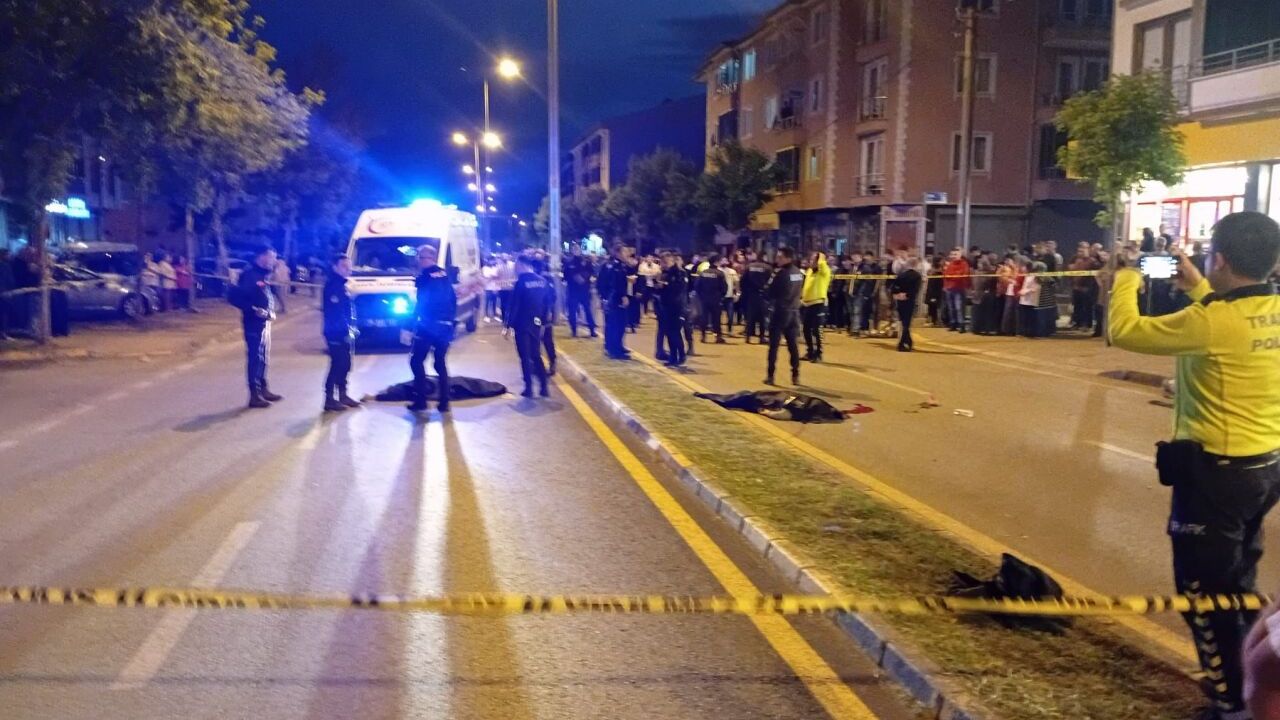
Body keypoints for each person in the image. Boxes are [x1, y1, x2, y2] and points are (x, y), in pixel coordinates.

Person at [1109, 212, 1280, 720]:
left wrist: (1124, 277)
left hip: (1216, 476)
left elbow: (1125, 330)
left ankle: (1231, 703)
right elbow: (1234, 322)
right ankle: (1252, 680)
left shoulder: (1210, 323)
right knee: (1237, 583)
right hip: (1264, 466)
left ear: (1220, 258)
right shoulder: (1268, 310)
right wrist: (1200, 288)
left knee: (1203, 595)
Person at [408, 244, 457, 414]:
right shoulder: (445, 275)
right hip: (446, 326)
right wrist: (451, 321)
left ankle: (421, 400)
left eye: (421, 258)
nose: (419, 261)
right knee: (439, 362)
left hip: (429, 325)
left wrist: (411, 323)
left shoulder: (424, 277)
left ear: (431, 258)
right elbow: (453, 299)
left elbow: (422, 302)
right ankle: (444, 402)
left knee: (416, 361)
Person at [234, 246, 281, 409]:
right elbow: (235, 297)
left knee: (263, 357)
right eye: (271, 257)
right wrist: (254, 310)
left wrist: (270, 310)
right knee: (255, 357)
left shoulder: (263, 274)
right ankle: (254, 395)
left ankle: (263, 389)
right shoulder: (249, 275)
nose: (274, 261)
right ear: (261, 257)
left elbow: (265, 295)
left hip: (264, 322)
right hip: (253, 322)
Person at [505, 255, 552, 398]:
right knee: (536, 355)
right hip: (536, 323)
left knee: (524, 356)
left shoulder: (521, 283)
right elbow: (547, 304)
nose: (515, 269)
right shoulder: (542, 281)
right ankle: (544, 387)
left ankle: (529, 388)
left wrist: (508, 326)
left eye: (516, 266)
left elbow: (515, 306)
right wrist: (544, 322)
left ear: (522, 265)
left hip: (522, 324)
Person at [322, 254, 361, 412]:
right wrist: (347, 329)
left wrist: (353, 327)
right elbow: (336, 313)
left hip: (344, 332)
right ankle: (329, 399)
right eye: (344, 266)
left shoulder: (342, 285)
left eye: (349, 266)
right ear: (335, 267)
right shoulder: (333, 286)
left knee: (345, 364)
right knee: (337, 364)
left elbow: (347, 310)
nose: (348, 269)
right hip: (335, 332)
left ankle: (343, 395)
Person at [764, 247, 804, 386]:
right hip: (794, 312)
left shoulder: (781, 274)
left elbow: (770, 292)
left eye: (780, 257)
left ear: (788, 258)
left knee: (774, 346)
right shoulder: (798, 272)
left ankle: (770, 375)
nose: (777, 259)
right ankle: (795, 375)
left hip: (780, 312)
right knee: (793, 346)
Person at [596, 243, 632, 360]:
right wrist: (623, 296)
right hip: (615, 299)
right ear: (618, 253)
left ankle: (615, 346)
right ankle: (615, 350)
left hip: (612, 298)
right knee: (616, 324)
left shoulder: (617, 265)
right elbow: (614, 284)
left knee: (617, 324)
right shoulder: (614, 266)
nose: (627, 254)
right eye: (625, 252)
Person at [655, 251, 688, 367]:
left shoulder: (679, 273)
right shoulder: (665, 273)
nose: (663, 264)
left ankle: (681, 355)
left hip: (677, 307)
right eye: (662, 262)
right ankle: (673, 357)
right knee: (670, 333)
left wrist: (665, 285)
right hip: (666, 307)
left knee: (675, 333)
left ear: (671, 261)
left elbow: (680, 290)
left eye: (665, 262)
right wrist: (658, 286)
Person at [801, 250, 831, 362]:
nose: (811, 261)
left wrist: (820, 258)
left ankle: (819, 353)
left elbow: (822, 264)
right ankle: (810, 352)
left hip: (819, 304)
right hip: (807, 304)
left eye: (814, 260)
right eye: (811, 259)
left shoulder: (824, 271)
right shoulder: (809, 271)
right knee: (806, 329)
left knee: (817, 330)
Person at [563, 246, 597, 338]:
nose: (576, 251)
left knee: (588, 310)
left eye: (577, 249)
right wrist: (574, 278)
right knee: (572, 312)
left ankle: (592, 330)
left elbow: (591, 273)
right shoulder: (568, 262)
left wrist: (584, 278)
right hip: (573, 290)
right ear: (572, 251)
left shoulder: (586, 261)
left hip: (584, 290)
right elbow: (565, 276)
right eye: (574, 249)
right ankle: (574, 330)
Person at [740, 250, 772, 344]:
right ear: (764, 257)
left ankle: (748, 337)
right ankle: (761, 337)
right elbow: (771, 282)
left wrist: (745, 292)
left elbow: (743, 281)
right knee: (762, 317)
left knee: (750, 316)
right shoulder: (768, 268)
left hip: (750, 295)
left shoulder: (749, 267)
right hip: (762, 296)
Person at [694, 255, 727, 344]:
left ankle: (703, 336)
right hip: (716, 299)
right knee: (716, 319)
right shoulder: (720, 273)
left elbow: (697, 286)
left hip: (704, 299)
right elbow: (724, 288)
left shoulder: (703, 273)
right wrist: (721, 297)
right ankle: (718, 337)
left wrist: (701, 296)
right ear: (716, 262)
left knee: (704, 317)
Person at [890, 257, 922, 352]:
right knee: (906, 323)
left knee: (903, 321)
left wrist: (897, 294)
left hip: (900, 300)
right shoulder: (917, 276)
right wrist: (907, 295)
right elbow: (915, 290)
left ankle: (909, 342)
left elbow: (894, 287)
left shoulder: (901, 275)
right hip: (909, 300)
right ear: (916, 265)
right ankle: (901, 344)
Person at [942, 248, 971, 332]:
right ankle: (953, 324)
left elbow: (963, 274)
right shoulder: (950, 264)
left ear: (960, 255)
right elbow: (946, 274)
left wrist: (953, 276)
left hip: (959, 288)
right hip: (949, 288)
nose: (953, 256)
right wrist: (955, 275)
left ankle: (961, 325)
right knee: (951, 307)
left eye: (956, 254)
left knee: (959, 308)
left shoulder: (964, 264)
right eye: (952, 254)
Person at [721, 257, 740, 336]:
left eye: (725, 260)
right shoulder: (718, 270)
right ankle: (718, 331)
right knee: (717, 315)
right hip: (720, 296)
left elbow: (737, 282)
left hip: (729, 296)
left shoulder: (732, 271)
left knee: (730, 314)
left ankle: (729, 330)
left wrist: (738, 293)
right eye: (722, 260)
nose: (724, 261)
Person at [0, 249, 13, 340]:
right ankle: (3, 333)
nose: (9, 256)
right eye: (8, 255)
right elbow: (10, 280)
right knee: (4, 313)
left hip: (3, 291)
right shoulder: (5, 266)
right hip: (4, 292)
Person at [482, 257, 500, 322]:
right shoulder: (485, 268)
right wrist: (493, 276)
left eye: (493, 260)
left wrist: (492, 277)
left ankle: (495, 315)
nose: (492, 262)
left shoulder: (496, 268)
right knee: (487, 302)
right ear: (488, 261)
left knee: (494, 302)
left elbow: (498, 277)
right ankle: (486, 316)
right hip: (488, 288)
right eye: (491, 261)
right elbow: (486, 277)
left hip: (495, 288)